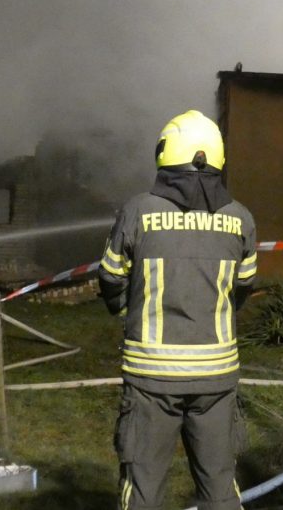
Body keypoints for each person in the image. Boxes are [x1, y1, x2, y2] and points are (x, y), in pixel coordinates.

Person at [98, 109, 257, 510]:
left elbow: (111, 279)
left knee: (143, 489)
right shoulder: (240, 218)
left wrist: (128, 311)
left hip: (152, 378)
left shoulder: (138, 211)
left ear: (165, 153)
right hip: (216, 377)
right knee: (220, 490)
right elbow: (243, 288)